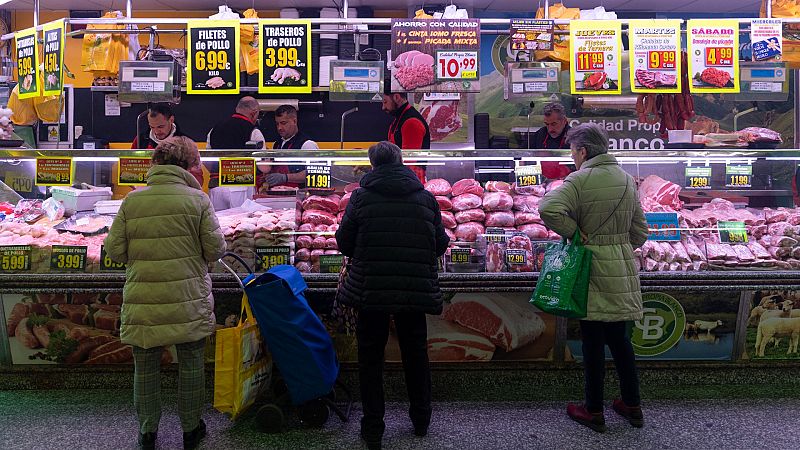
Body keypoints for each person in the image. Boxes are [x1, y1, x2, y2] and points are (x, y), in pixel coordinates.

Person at [103, 136, 226, 450]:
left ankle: (147, 432)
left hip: (143, 298)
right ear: (188, 166)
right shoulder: (198, 200)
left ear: (156, 164)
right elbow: (215, 250)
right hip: (189, 297)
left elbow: (114, 251)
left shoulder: (133, 200)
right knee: (191, 364)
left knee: (145, 367)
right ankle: (190, 429)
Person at [335, 141, 448, 450]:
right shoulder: (425, 199)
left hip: (371, 290)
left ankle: (373, 427)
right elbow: (440, 244)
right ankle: (421, 420)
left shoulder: (359, 198)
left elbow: (344, 244)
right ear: (401, 162)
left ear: (373, 166)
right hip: (413, 289)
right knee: (415, 355)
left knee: (370, 359)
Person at [539, 123, 649, 433]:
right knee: (620, 341)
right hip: (621, 269)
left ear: (583, 151)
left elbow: (548, 208)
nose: (573, 157)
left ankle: (593, 410)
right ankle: (632, 405)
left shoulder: (580, 178)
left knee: (592, 342)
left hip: (589, 268)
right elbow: (641, 231)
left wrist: (577, 235)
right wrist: (618, 248)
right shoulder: (626, 180)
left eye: (573, 151)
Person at [206, 97, 265, 209]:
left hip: (216, 187)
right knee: (240, 223)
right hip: (241, 185)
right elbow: (264, 167)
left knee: (219, 224)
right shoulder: (254, 131)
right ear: (254, 113)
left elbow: (207, 161)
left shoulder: (214, 129)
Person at [258, 104, 319, 190]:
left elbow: (315, 173)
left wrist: (285, 177)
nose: (279, 128)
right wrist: (269, 178)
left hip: (299, 196)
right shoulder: (277, 145)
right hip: (279, 194)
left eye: (283, 123)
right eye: (277, 124)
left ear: (294, 121)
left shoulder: (307, 144)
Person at [381, 90, 430, 183]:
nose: (383, 107)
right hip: (401, 178)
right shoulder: (400, 118)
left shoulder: (411, 122)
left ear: (396, 97)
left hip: (410, 182)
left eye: (385, 102)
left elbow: (408, 161)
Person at [529, 102, 574, 180]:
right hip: (542, 181)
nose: (549, 129)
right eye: (547, 124)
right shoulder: (540, 134)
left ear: (564, 121)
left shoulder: (575, 136)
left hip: (567, 181)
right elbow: (523, 155)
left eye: (553, 124)